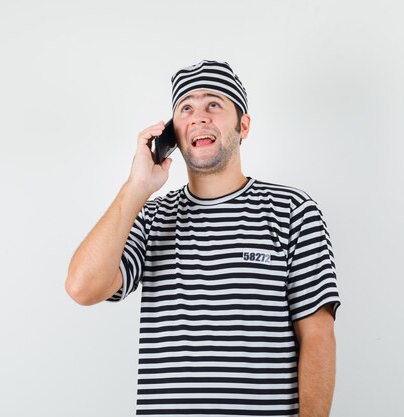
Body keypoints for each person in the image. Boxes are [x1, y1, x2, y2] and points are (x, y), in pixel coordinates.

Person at [65, 59, 341, 417]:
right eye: (186, 108)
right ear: (173, 135)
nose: (199, 116)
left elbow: (318, 336)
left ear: (244, 126)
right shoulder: (151, 217)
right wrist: (136, 189)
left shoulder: (292, 210)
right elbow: (82, 288)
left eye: (214, 104)